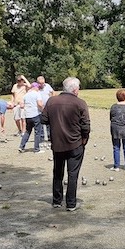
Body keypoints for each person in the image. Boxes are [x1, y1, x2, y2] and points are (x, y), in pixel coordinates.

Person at [40, 77, 90, 212]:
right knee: (73, 174)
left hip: (57, 143)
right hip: (75, 143)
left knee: (58, 172)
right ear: (75, 89)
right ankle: (71, 203)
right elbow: (86, 125)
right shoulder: (80, 103)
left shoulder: (51, 101)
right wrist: (85, 139)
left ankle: (57, 200)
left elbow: (43, 119)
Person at [18, 82, 45, 153]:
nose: (38, 88)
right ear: (35, 87)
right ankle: (36, 149)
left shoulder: (25, 95)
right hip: (36, 114)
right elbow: (40, 104)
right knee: (37, 132)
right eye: (38, 87)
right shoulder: (37, 94)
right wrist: (43, 110)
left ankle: (21, 146)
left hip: (28, 116)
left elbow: (21, 105)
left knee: (27, 131)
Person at [37, 75, 55, 147]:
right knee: (40, 124)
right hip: (39, 109)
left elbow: (53, 92)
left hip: (48, 107)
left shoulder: (47, 86)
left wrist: (51, 98)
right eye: (41, 83)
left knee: (49, 124)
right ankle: (41, 139)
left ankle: (50, 138)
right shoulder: (36, 88)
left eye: (43, 83)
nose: (42, 85)